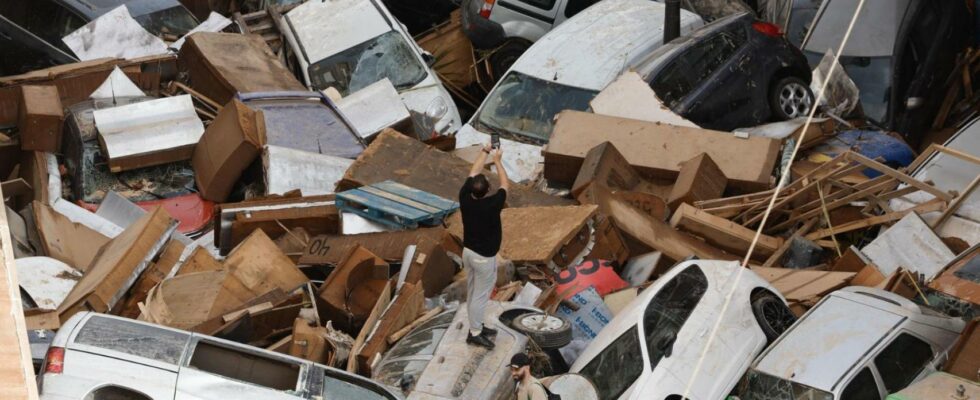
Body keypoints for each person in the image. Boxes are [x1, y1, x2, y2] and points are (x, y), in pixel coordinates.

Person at [459, 144, 509, 349]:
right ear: (488, 190)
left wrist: (485, 151)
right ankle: (475, 332)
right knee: (481, 295)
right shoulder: (492, 204)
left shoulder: (464, 197)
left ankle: (476, 325)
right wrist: (497, 161)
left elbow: (474, 171)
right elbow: (506, 184)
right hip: (483, 258)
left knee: (472, 290)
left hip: (468, 252)